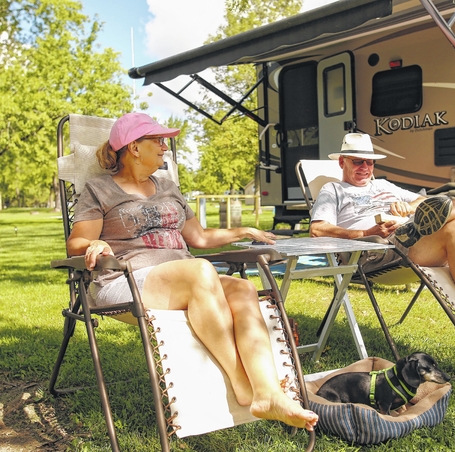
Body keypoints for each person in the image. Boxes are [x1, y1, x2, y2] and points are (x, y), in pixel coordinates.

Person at [67, 112, 318, 431]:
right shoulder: (99, 189)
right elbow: (76, 241)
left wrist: (241, 231)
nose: (164, 148)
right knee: (200, 271)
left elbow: (198, 238)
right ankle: (243, 385)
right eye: (157, 141)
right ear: (133, 147)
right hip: (124, 280)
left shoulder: (168, 187)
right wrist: (95, 244)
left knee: (244, 289)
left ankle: (267, 393)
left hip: (186, 279)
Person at [309, 132, 455, 369]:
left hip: (414, 239)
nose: (365, 167)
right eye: (357, 161)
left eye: (369, 162)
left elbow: (426, 201)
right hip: (378, 249)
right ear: (342, 162)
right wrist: (366, 232)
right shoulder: (333, 190)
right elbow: (317, 230)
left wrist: (409, 207)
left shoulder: (383, 185)